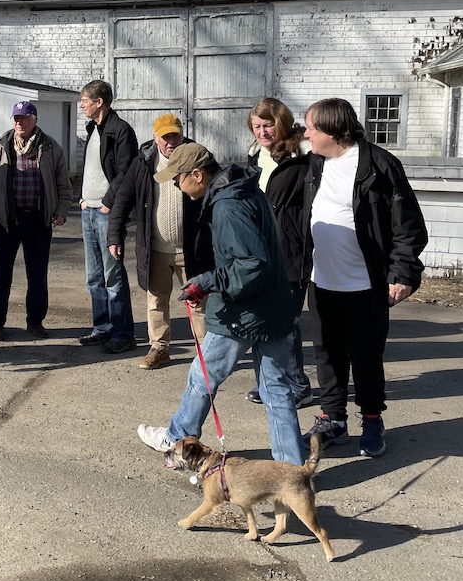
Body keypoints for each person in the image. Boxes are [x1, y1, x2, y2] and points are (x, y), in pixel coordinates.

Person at [136, 142, 306, 466]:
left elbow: (252, 264)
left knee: (203, 375)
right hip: (272, 307)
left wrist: (208, 281)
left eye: (178, 179)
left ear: (197, 175)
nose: (176, 186)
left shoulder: (228, 205)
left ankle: (176, 439)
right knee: (276, 392)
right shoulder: (243, 191)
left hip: (245, 312)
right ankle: (291, 470)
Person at [301, 98, 428, 458]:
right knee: (327, 355)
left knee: (366, 358)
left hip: (365, 286)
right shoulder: (314, 164)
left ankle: (371, 419)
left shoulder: (380, 165)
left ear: (332, 130)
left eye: (311, 127)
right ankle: (333, 419)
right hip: (322, 283)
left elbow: (409, 228)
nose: (306, 133)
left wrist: (401, 273)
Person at [108, 113, 208, 370]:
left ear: (182, 134)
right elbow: (123, 199)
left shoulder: (197, 157)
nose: (171, 141)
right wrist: (114, 235)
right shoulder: (143, 162)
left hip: (192, 248)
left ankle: (206, 353)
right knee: (156, 300)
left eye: (175, 135)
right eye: (166, 137)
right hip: (156, 248)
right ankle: (159, 348)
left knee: (198, 302)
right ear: (155, 138)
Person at [0, 100, 71, 340]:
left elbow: (64, 185)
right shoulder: (1, 146)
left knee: (37, 275)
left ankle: (36, 322)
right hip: (6, 221)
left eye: (24, 118)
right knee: (1, 275)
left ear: (35, 120)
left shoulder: (51, 147)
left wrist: (61, 209)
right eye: (16, 118)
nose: (19, 122)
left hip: (38, 220)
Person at [244, 98, 315, 407]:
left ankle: (298, 386)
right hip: (259, 248)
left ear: (282, 123)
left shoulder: (302, 156)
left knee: (286, 323)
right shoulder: (255, 155)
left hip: (290, 251)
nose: (263, 132)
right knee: (263, 320)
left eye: (268, 125)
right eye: (257, 126)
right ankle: (269, 382)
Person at [77, 80, 139, 353]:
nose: (82, 105)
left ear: (99, 102)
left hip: (106, 214)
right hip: (87, 210)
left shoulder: (121, 131)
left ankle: (123, 334)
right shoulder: (93, 129)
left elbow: (127, 172)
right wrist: (83, 199)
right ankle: (102, 328)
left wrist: (107, 203)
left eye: (85, 100)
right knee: (94, 277)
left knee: (113, 276)